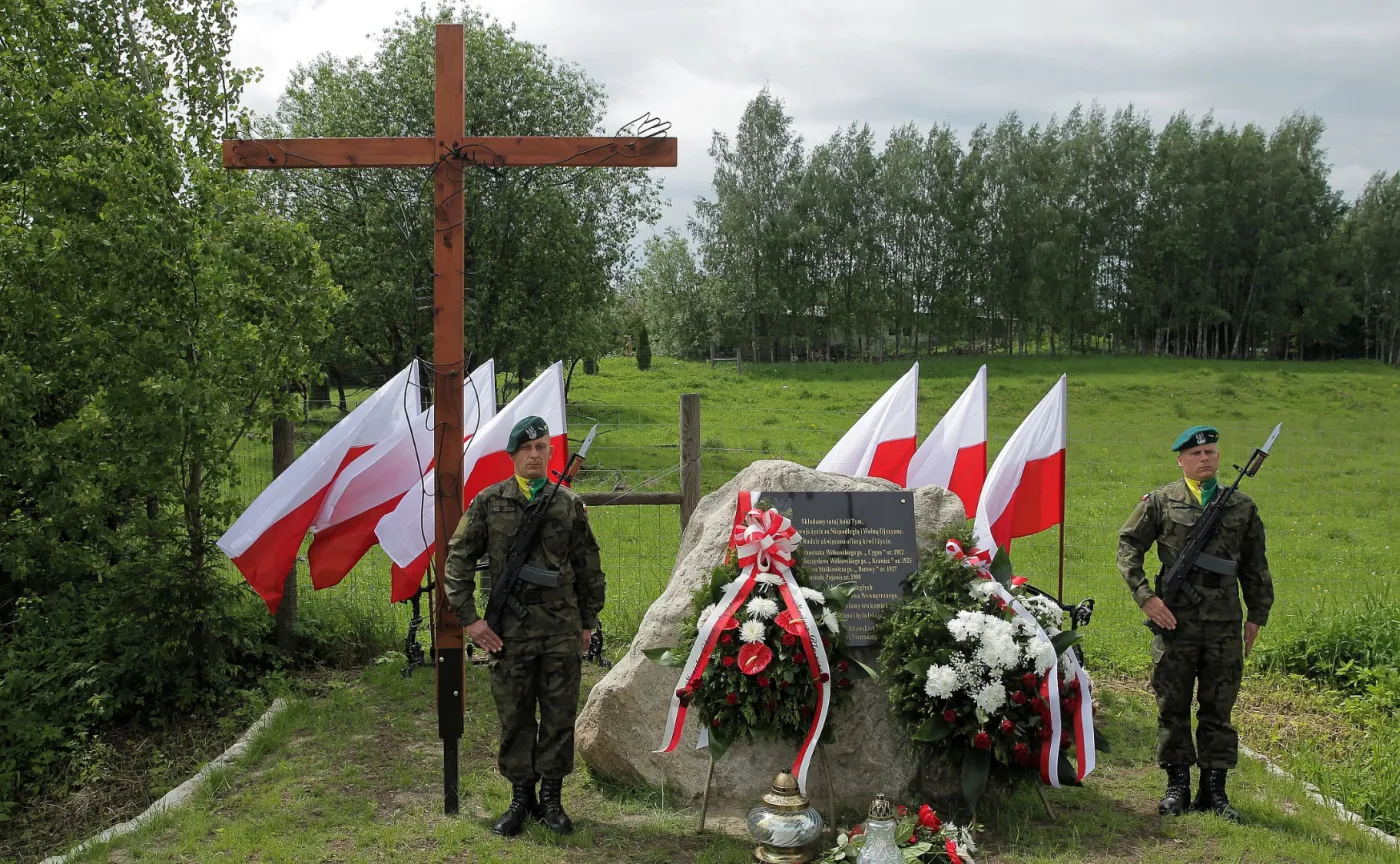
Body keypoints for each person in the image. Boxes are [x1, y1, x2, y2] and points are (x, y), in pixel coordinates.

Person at [444, 415, 606, 837]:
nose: (534, 455)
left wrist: (588, 621)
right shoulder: (488, 502)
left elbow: (588, 565)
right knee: (514, 714)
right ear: (512, 455)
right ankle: (521, 797)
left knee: (558, 713)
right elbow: (458, 560)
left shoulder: (567, 503)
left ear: (550, 452)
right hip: (509, 632)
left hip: (561, 628)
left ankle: (552, 798)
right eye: (526, 448)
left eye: (541, 447)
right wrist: (471, 620)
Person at [1116, 425, 1273, 822]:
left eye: (1211, 452)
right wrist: (1145, 597)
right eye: (1196, 454)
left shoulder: (1241, 505)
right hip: (1175, 620)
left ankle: (1214, 791)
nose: (1205, 458)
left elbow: (1255, 564)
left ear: (1219, 457)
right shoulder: (1161, 501)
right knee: (1172, 704)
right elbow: (1128, 547)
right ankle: (1178, 786)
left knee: (1219, 706)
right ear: (1181, 460)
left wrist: (1257, 614)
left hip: (1225, 622)